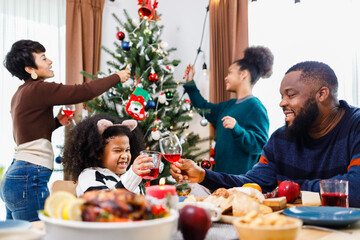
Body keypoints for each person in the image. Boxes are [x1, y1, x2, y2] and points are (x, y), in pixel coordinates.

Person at [171, 61, 360, 207]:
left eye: (291, 94)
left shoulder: (356, 126)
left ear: (322, 94)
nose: (282, 103)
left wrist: (289, 189)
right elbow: (252, 185)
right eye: (281, 96)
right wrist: (204, 175)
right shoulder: (280, 139)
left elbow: (356, 188)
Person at [0, 39, 131, 221]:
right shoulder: (39, 89)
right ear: (30, 69)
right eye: (43, 58)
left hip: (17, 175)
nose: (50, 61)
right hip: (28, 177)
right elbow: (83, 91)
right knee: (38, 233)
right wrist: (116, 77)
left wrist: (57, 122)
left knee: (18, 234)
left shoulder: (20, 93)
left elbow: (27, 133)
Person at [183, 46, 274, 174]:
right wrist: (190, 82)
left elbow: (260, 145)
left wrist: (237, 129)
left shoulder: (255, 107)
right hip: (220, 179)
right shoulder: (227, 106)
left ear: (243, 74)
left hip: (241, 183)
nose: (226, 77)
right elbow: (204, 108)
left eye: (230, 72)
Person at [61, 114, 153, 197]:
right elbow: (105, 204)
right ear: (98, 153)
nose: (125, 155)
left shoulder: (127, 177)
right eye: (118, 150)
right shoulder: (90, 175)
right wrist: (132, 175)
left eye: (127, 150)